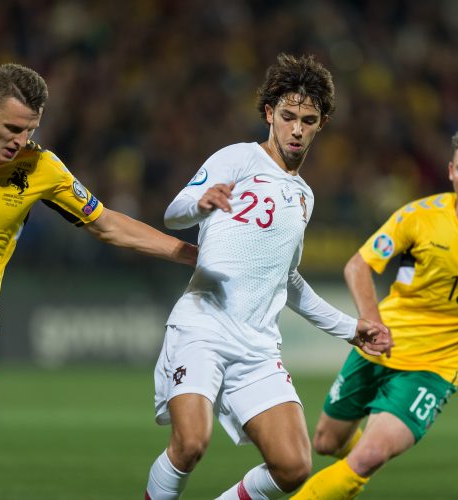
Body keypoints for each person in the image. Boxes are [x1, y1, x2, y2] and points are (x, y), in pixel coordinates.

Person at [144, 53, 390, 500]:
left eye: (308, 120)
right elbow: (172, 212)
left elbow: (288, 280)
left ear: (322, 124)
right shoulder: (237, 158)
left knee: (294, 466)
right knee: (191, 444)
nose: (296, 129)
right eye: (288, 116)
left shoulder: (304, 197)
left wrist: (350, 328)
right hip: (203, 325)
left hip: (257, 346)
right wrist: (200, 203)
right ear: (269, 114)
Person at [0, 62, 197, 418]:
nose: (19, 141)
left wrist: (191, 254)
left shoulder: (40, 167)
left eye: (29, 130)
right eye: (12, 128)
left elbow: (107, 224)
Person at [290, 127, 458, 500]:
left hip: (433, 368)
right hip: (379, 346)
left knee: (369, 456)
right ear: (451, 172)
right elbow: (358, 266)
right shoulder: (420, 216)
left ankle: (354, 469)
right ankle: (349, 472)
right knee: (326, 441)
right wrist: (373, 323)